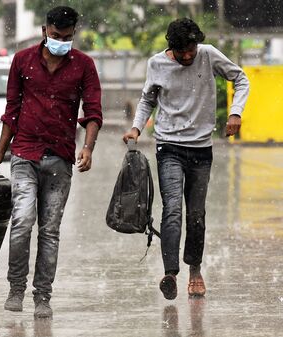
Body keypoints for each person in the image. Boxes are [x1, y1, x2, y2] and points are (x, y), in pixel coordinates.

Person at [0, 6, 102, 318]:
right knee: (22, 221)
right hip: (24, 154)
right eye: (55, 35)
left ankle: (42, 297)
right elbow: (11, 110)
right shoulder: (22, 61)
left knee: (49, 230)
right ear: (44, 30)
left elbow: (93, 113)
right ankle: (15, 288)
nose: (61, 41)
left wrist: (87, 148)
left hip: (60, 159)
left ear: (74, 34)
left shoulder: (84, 66)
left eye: (67, 37)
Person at [122, 18, 249, 300]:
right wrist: (136, 127)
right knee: (173, 210)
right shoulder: (157, 64)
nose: (189, 56)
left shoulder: (209, 54)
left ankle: (195, 270)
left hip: (201, 149)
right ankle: (170, 273)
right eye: (183, 52)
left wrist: (235, 112)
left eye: (192, 49)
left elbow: (241, 78)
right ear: (172, 49)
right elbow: (147, 100)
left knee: (196, 214)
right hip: (169, 146)